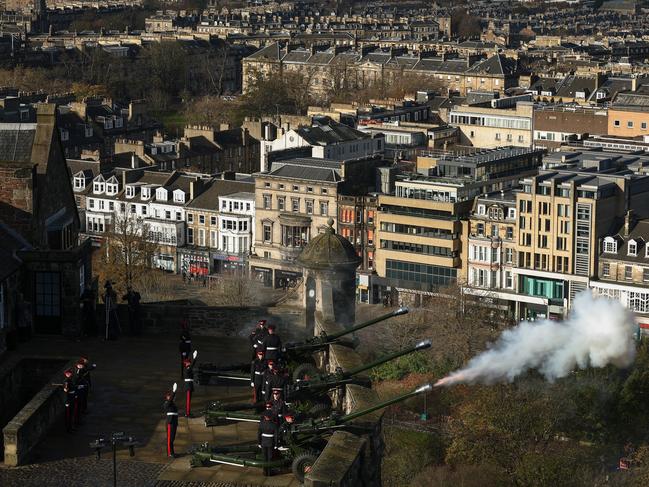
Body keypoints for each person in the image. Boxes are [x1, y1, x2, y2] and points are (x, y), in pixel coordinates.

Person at [258, 411, 279, 476]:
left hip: (263, 442)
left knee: (264, 457)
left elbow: (259, 434)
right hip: (270, 442)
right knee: (270, 457)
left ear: (265, 417)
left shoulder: (261, 424)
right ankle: (270, 472)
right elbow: (276, 436)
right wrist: (276, 444)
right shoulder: (274, 425)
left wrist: (259, 442)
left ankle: (265, 472)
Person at [164, 383, 179, 458]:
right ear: (167, 397)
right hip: (170, 423)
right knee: (170, 439)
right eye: (170, 397)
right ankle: (170, 453)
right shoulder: (167, 403)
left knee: (172, 438)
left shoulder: (172, 404)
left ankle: (172, 452)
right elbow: (170, 400)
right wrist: (174, 391)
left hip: (174, 422)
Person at [183, 350, 198, 417]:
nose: (189, 363)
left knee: (189, 400)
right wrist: (194, 358)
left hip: (189, 385)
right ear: (186, 363)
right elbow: (192, 366)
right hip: (188, 386)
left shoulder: (188, 368)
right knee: (188, 401)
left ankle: (188, 412)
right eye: (189, 363)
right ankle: (188, 413)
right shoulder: (188, 368)